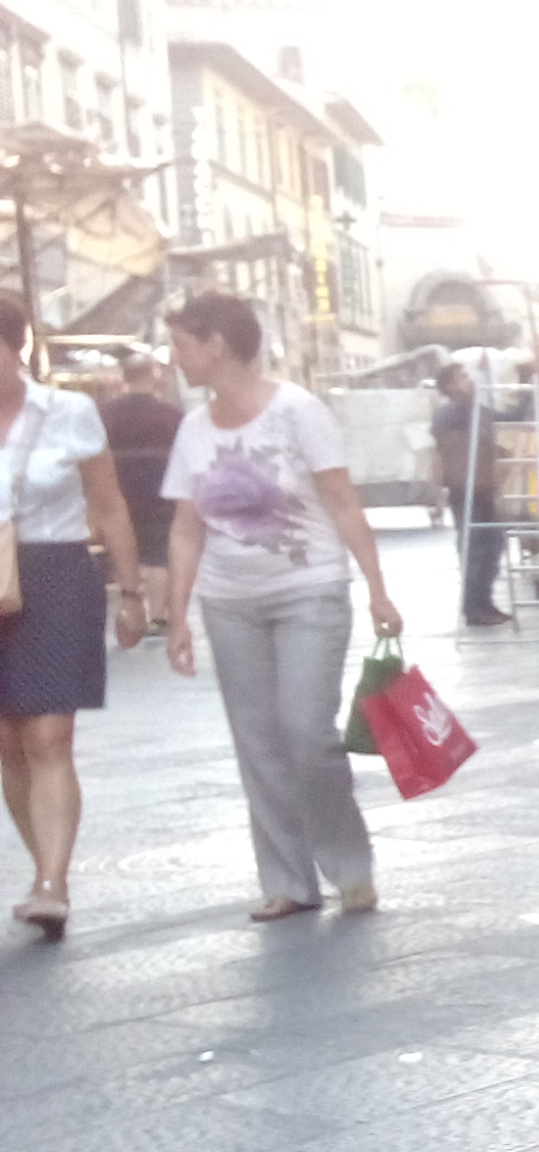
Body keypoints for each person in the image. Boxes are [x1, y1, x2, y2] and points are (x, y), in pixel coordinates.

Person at [161, 290, 403, 922]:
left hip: (309, 590)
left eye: (181, 344)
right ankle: (288, 880)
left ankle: (350, 866)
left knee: (305, 731)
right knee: (257, 742)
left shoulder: (298, 411)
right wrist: (177, 615)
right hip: (229, 600)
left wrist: (377, 588)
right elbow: (186, 528)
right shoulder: (192, 429)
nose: (174, 357)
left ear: (216, 344)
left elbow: (343, 501)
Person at [0, 295, 146, 938]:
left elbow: (108, 504)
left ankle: (53, 883)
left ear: (17, 349)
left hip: (57, 573)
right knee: (7, 743)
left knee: (49, 735)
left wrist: (133, 593)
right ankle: (42, 867)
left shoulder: (69, 413)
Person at [100, 353, 180, 633]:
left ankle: (131, 607)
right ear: (152, 375)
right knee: (158, 554)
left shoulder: (106, 413)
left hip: (118, 490)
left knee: (126, 548)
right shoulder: (169, 413)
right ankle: (157, 617)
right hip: (160, 490)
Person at [430, 364, 507, 625]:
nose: (470, 380)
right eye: (463, 378)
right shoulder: (447, 414)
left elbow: (509, 418)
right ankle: (473, 608)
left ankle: (485, 602)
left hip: (485, 487)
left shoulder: (479, 411)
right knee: (474, 548)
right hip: (463, 489)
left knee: (494, 544)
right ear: (450, 386)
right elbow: (453, 435)